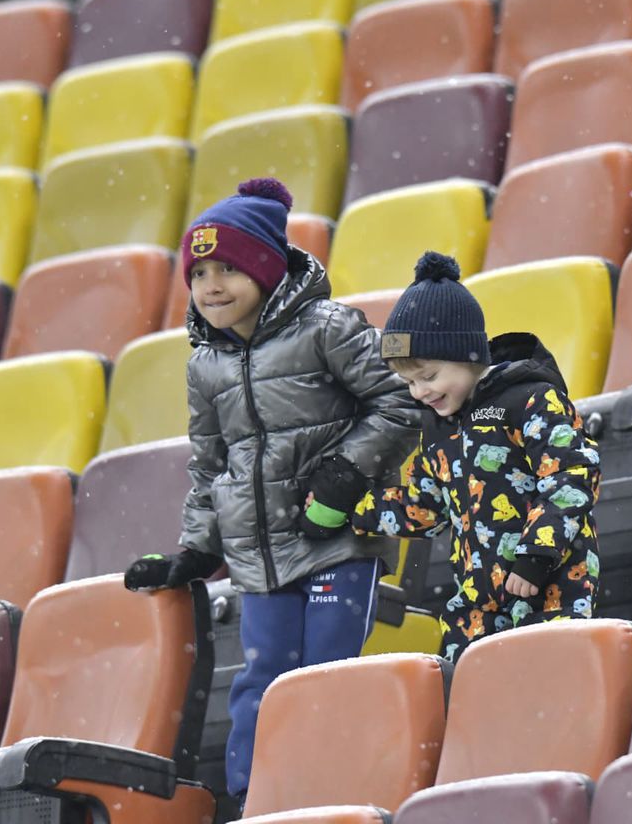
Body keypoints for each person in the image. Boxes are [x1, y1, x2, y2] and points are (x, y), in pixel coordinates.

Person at [123, 178, 419, 807]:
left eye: (228, 267)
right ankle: (257, 802)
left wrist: (344, 474)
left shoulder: (328, 328)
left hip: (338, 539)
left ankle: (338, 796)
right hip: (259, 556)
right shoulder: (205, 364)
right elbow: (209, 465)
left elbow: (399, 403)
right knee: (262, 680)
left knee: (328, 672)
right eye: (199, 273)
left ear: (265, 267)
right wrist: (197, 549)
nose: (212, 285)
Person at [352, 251, 602, 663]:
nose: (419, 393)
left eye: (428, 376)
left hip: (549, 583)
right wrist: (356, 510)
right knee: (470, 694)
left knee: (547, 681)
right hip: (476, 597)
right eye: (409, 382)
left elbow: (571, 475)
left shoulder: (531, 399)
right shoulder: (439, 426)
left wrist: (537, 555)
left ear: (468, 355)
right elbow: (427, 506)